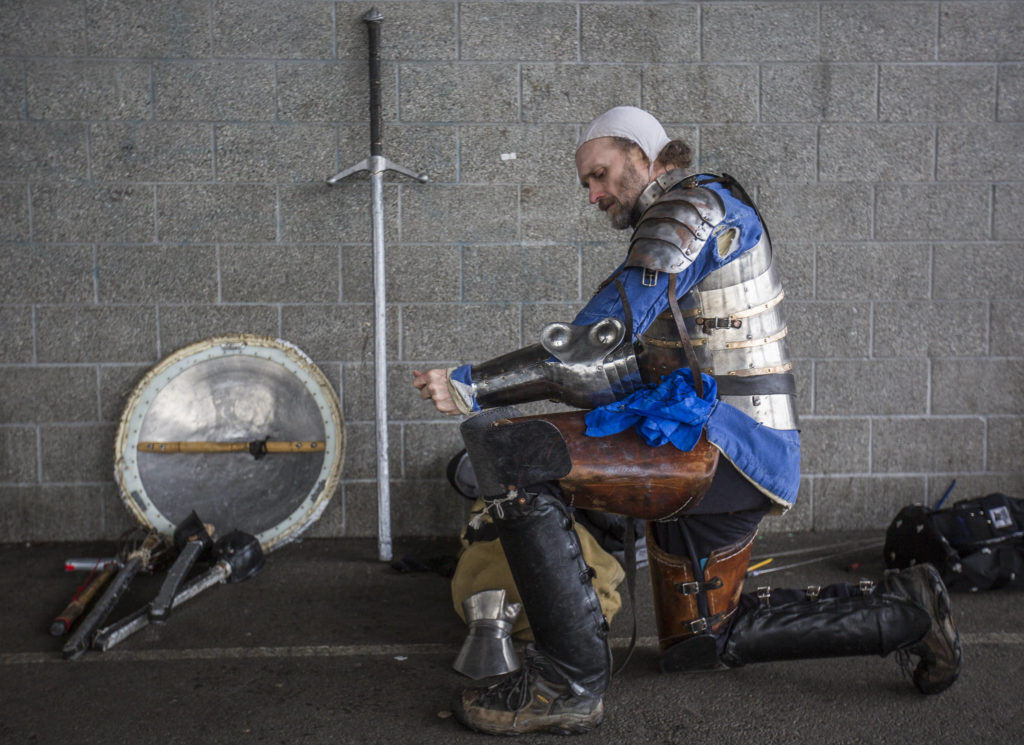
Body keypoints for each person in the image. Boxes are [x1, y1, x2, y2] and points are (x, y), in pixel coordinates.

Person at [412, 106, 961, 736]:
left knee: (512, 454)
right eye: (586, 183)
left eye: (600, 174)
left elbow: (590, 345)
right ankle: (909, 608)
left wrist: (472, 385)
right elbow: (620, 370)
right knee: (701, 641)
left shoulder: (691, 211)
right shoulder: (692, 221)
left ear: (644, 155)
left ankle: (567, 684)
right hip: (719, 444)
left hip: (727, 444)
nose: (592, 194)